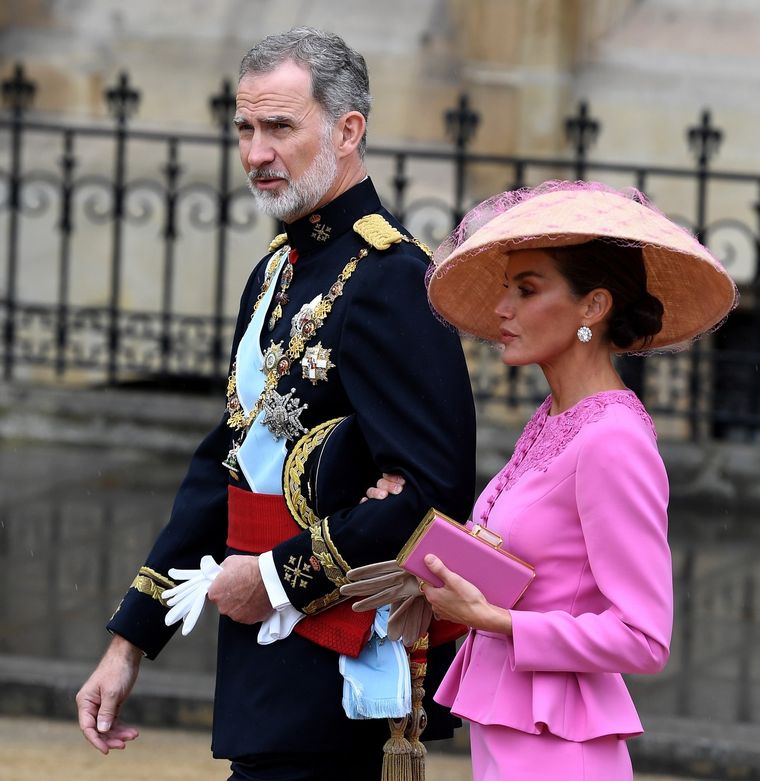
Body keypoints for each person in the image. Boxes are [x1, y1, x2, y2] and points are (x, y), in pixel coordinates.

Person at [75, 27, 476, 781]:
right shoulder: (276, 271)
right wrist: (130, 640)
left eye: (280, 127)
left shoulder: (391, 281)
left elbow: (434, 493)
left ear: (348, 130)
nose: (256, 152)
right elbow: (223, 468)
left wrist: (270, 579)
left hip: (342, 671)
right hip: (263, 669)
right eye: (245, 128)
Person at [346, 180, 738, 781]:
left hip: (560, 748)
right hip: (518, 733)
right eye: (506, 289)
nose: (502, 309)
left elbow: (643, 636)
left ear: (592, 307)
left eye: (526, 290)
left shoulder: (613, 439)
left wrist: (495, 621)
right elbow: (527, 564)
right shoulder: (555, 416)